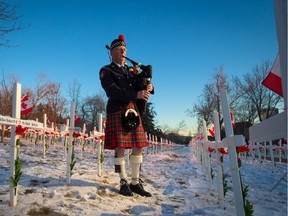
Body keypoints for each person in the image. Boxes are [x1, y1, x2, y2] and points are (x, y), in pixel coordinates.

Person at [99, 35, 154, 197]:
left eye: (124, 49)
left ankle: (135, 182)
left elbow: (140, 83)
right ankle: (123, 181)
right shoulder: (106, 70)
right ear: (112, 53)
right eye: (119, 49)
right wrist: (136, 94)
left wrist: (148, 86)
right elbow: (112, 91)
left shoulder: (132, 70)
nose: (123, 51)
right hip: (117, 109)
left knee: (138, 146)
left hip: (134, 110)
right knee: (120, 147)